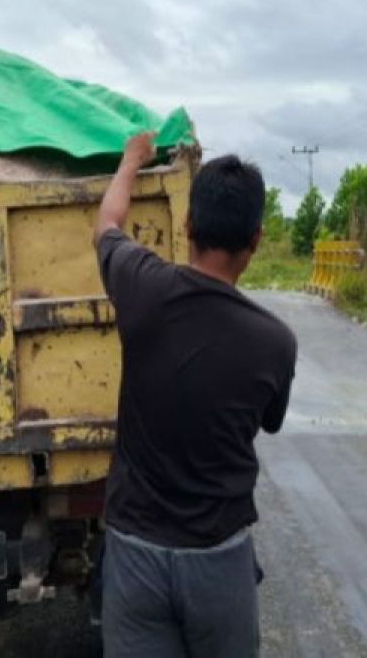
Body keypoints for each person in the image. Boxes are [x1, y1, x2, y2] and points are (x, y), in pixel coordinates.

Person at [92, 131, 297, 658]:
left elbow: (107, 223)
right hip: (218, 557)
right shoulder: (275, 343)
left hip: (135, 553)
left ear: (186, 226)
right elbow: (268, 422)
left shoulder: (142, 288)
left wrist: (131, 160)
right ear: (256, 239)